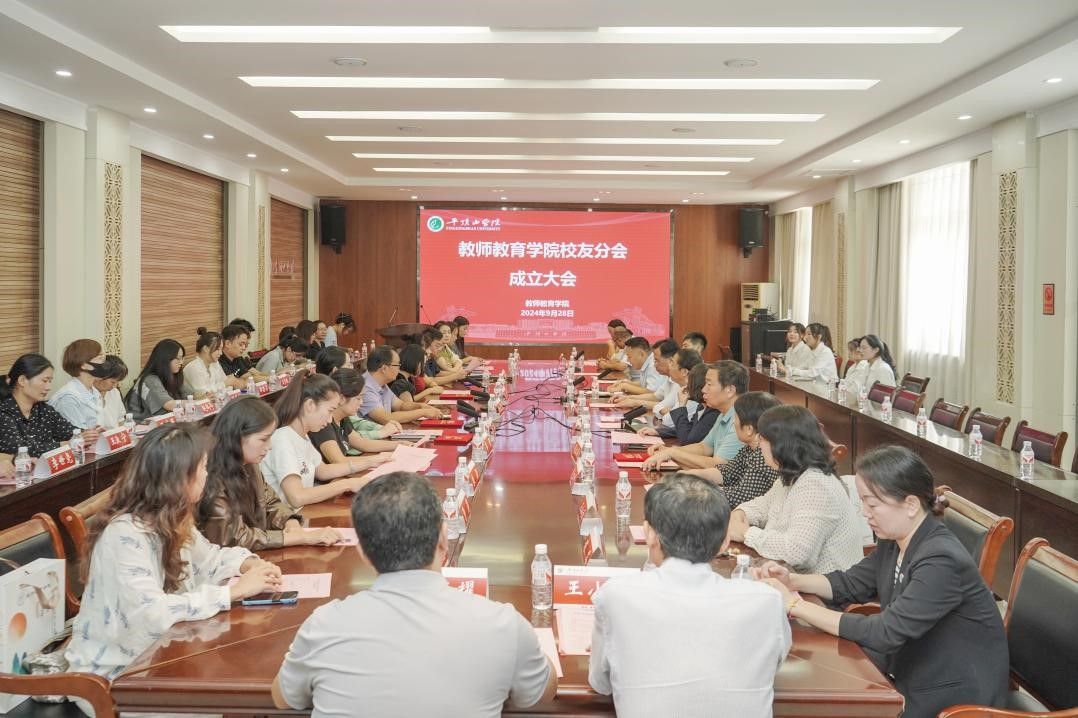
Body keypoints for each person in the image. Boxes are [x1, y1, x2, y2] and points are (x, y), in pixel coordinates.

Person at [272, 471, 557, 717]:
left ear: (363, 554)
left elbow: (283, 698)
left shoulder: (323, 625)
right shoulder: (502, 624)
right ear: (443, 540)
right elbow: (541, 693)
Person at [757, 446, 1009, 718]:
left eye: (873, 504)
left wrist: (795, 605)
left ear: (911, 504)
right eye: (863, 503)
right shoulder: (896, 539)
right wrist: (792, 580)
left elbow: (886, 632)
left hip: (953, 695)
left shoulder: (941, 559)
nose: (865, 513)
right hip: (910, 666)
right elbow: (850, 584)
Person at [65, 423, 283, 694]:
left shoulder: (172, 517)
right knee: (237, 682)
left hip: (163, 654)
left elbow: (210, 559)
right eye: (202, 468)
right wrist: (232, 592)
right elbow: (152, 614)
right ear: (178, 477)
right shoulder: (125, 535)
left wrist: (247, 564)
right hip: (118, 676)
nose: (207, 475)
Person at [589, 473, 790, 717]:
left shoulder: (616, 597)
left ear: (649, 533)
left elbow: (601, 684)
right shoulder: (767, 602)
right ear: (725, 542)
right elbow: (772, 664)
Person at [727, 404, 863, 574]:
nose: (758, 443)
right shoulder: (793, 474)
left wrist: (747, 533)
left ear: (781, 445)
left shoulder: (815, 485)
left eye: (762, 438)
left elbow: (797, 553)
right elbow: (763, 505)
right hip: (790, 577)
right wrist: (741, 513)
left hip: (823, 587)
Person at [198, 396, 341, 550]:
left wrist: (289, 521)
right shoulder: (209, 476)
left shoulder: (250, 464)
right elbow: (231, 537)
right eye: (263, 439)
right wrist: (298, 537)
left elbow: (270, 502)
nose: (269, 446)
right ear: (237, 436)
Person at [260, 371, 371, 510]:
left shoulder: (302, 435)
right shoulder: (282, 440)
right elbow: (297, 497)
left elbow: (323, 471)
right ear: (310, 405)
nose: (330, 420)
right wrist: (347, 484)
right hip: (289, 519)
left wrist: (372, 462)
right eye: (330, 411)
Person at [643, 361, 747, 470]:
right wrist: (668, 450)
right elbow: (704, 447)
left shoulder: (741, 420)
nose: (703, 389)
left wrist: (673, 453)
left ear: (730, 390)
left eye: (709, 384)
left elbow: (719, 465)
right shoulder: (724, 413)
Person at [689, 392, 782, 508]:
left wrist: (697, 490)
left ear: (749, 429)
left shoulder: (763, 457)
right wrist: (691, 475)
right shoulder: (750, 448)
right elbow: (727, 473)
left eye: (736, 418)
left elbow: (740, 497)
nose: (733, 422)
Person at [309, 368, 400, 469]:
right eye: (358, 398)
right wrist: (376, 459)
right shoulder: (323, 423)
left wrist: (399, 445)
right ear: (341, 398)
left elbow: (363, 443)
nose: (361, 403)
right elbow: (339, 461)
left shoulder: (343, 419)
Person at [0, 354, 77, 457]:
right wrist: (61, 445)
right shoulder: (4, 412)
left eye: (50, 381)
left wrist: (86, 435)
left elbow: (69, 432)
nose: (48, 387)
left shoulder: (43, 409)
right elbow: (18, 450)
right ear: (22, 380)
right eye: (44, 381)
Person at [47, 339, 107, 447]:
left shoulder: (93, 391)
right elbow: (79, 438)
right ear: (84, 365)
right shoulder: (68, 398)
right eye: (100, 358)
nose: (104, 363)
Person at [362, 346, 443, 425]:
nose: (399, 368)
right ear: (384, 369)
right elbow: (386, 418)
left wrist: (420, 406)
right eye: (397, 365)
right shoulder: (366, 388)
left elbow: (400, 405)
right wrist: (423, 412)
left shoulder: (382, 384)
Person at [638, 347, 701, 430]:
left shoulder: (693, 393)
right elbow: (658, 407)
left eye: (672, 363)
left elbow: (668, 421)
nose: (669, 366)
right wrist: (668, 412)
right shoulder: (681, 386)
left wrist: (670, 413)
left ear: (684, 372)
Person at [656, 363, 719, 445]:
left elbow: (686, 440)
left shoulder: (713, 412)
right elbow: (690, 428)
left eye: (689, 380)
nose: (686, 384)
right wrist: (658, 432)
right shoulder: (701, 406)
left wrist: (681, 406)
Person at [125, 338, 184, 420]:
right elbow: (169, 404)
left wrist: (200, 397)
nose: (181, 362)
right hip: (138, 424)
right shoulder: (149, 379)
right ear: (165, 359)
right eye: (178, 358)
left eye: (182, 358)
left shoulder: (174, 375)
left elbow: (191, 394)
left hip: (159, 422)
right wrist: (193, 403)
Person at [614, 338, 679, 408]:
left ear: (671, 361)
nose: (655, 364)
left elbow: (664, 405)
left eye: (657, 360)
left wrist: (635, 402)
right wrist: (628, 398)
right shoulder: (669, 378)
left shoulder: (678, 380)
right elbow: (656, 396)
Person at [184, 329, 238, 397]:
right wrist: (223, 384)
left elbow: (229, 387)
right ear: (206, 349)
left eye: (221, 349)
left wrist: (223, 386)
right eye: (217, 349)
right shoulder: (194, 368)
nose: (221, 353)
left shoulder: (215, 363)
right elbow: (203, 394)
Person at [92, 355, 128, 429]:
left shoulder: (114, 392)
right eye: (113, 382)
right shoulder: (84, 395)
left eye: (117, 382)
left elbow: (121, 420)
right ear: (99, 376)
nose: (115, 386)